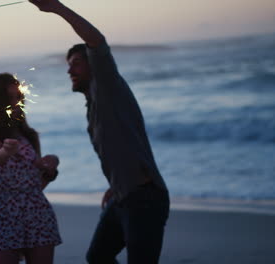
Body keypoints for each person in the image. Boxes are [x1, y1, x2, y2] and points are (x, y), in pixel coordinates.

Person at [29, 1, 170, 263]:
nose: (70, 70)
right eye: (68, 65)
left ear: (94, 65)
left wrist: (56, 7)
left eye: (76, 63)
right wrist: (114, 185)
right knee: (98, 257)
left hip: (144, 199)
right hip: (122, 196)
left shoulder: (106, 85)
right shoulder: (95, 104)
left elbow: (97, 40)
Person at [0, 73, 62, 264]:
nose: (16, 103)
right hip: (2, 216)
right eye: (10, 98)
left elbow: (37, 185)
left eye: (19, 98)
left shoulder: (29, 135)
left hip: (37, 212)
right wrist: (5, 152)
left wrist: (51, 167)